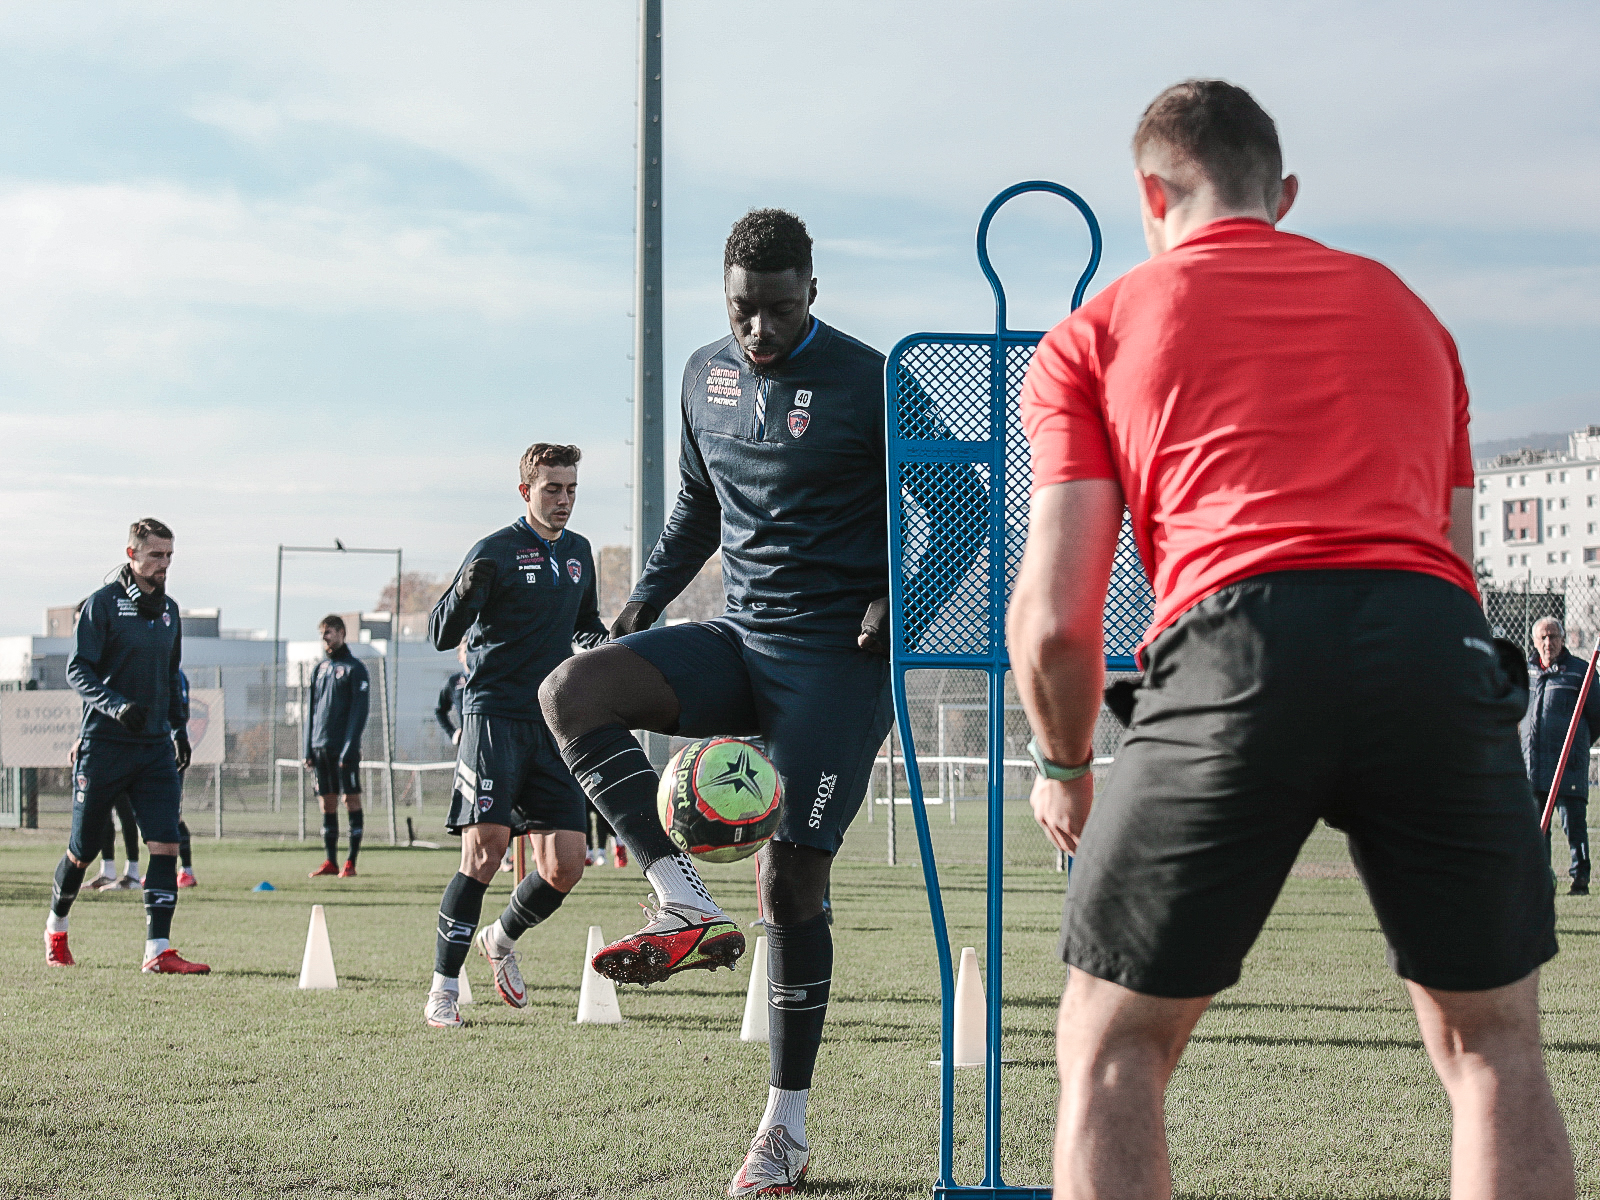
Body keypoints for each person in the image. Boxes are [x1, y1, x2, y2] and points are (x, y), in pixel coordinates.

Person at [1009, 79, 1570, 1199]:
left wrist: (1065, 767)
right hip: (1430, 645)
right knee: (1492, 1049)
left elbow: (1056, 619)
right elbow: (1453, 559)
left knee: (1112, 1047)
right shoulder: (1411, 313)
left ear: (1150, 195)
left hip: (1235, 645)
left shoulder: (1098, 329)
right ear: (1285, 194)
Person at [539, 208, 979, 1197]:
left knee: (788, 886)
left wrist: (900, 601)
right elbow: (699, 507)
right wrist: (646, 597)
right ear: (725, 297)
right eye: (743, 311)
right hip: (742, 643)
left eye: (779, 310)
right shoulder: (705, 375)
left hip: (836, 663)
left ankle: (784, 1127)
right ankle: (681, 900)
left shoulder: (874, 379)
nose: (759, 333)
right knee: (574, 691)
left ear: (812, 293)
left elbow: (964, 509)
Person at [423, 442, 608, 1029]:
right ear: (525, 490)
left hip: (552, 720)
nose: (564, 500)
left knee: (567, 865)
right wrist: (464, 589)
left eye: (572, 488)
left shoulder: (579, 554)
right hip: (492, 716)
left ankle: (501, 936)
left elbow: (585, 627)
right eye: (553, 488)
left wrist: (613, 644)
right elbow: (439, 630)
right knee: (487, 849)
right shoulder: (494, 551)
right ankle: (442, 992)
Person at [45, 518, 209, 974]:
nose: (164, 565)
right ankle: (56, 927)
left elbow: (171, 678)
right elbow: (78, 671)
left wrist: (179, 730)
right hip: (106, 743)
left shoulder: (171, 611)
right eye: (156, 555)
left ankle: (158, 950)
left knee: (165, 844)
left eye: (169, 556)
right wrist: (116, 707)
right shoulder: (101, 605)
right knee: (84, 850)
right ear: (132, 554)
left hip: (154, 746)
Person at [1522, 616, 1600, 896]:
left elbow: (1597, 715)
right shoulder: (1525, 671)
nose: (1548, 642)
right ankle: (1542, 880)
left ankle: (1580, 880)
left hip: (1567, 764)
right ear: (1534, 641)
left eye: (1553, 636)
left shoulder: (1580, 671)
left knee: (1574, 824)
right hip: (1533, 765)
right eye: (1542, 637)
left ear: (1563, 639)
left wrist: (1579, 745)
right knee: (1536, 828)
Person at [303, 614, 369, 879]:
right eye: (322, 634)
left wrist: (349, 747)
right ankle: (330, 861)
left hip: (344, 748)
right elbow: (312, 711)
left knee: (349, 799)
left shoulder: (355, 669)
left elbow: (359, 712)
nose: (325, 638)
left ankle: (350, 862)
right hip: (320, 747)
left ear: (342, 633)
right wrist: (308, 748)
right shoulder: (319, 670)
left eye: (329, 633)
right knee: (326, 803)